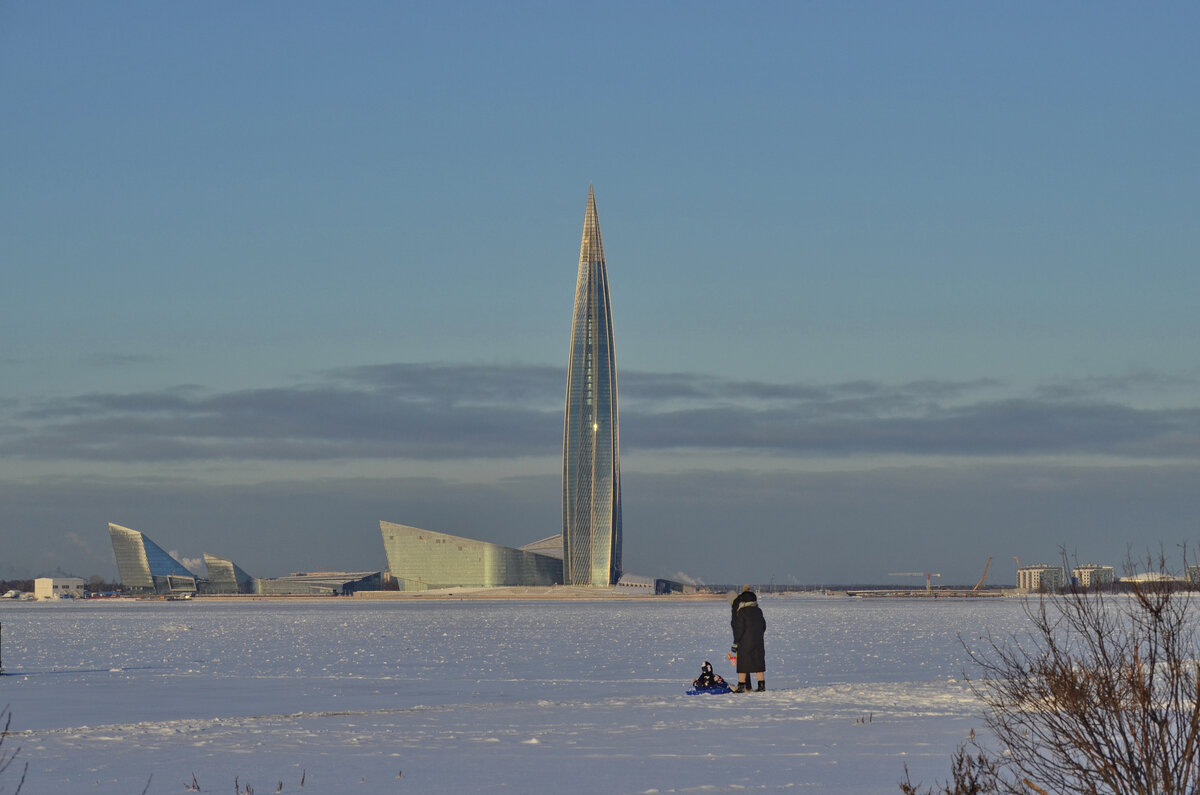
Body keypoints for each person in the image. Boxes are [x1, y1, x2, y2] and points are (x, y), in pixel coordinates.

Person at [728, 586, 766, 692]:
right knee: (758, 663)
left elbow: (739, 629)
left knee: (743, 665)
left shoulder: (741, 612)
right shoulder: (759, 611)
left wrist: (736, 643)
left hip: (745, 642)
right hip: (758, 641)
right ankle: (761, 686)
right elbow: (763, 626)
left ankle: (741, 686)